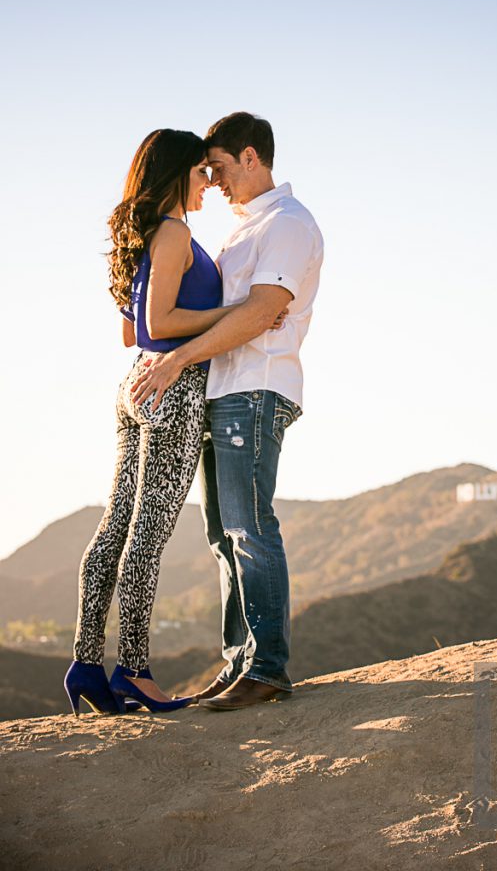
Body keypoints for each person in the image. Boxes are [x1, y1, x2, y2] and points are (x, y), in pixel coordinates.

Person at [65, 128, 285, 716]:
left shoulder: (138, 238)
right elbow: (159, 321)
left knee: (116, 524)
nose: (208, 184)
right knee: (147, 534)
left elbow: (131, 332)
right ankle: (134, 670)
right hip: (174, 390)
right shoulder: (173, 232)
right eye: (199, 173)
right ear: (175, 174)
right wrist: (239, 310)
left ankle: (87, 662)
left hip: (137, 383)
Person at [132, 112, 324, 711]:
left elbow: (261, 311)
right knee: (222, 534)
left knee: (249, 527)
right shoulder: (242, 229)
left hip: (257, 389)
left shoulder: (289, 224)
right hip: (222, 390)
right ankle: (239, 663)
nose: (211, 181)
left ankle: (267, 668)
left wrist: (176, 357)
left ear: (250, 157)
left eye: (217, 167)